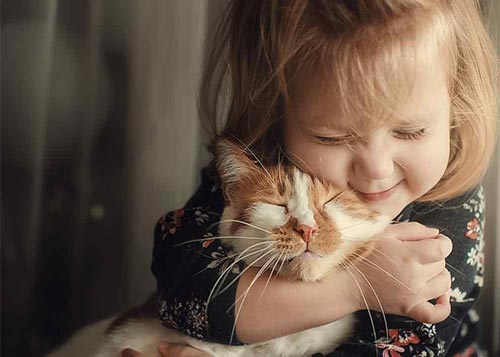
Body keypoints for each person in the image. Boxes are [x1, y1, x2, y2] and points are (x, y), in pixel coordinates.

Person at [125, 0, 498, 356]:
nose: (376, 170)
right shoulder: (266, 169)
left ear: (456, 109)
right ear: (277, 113)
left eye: (411, 131)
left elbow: (409, 345)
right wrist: (351, 288)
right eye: (331, 138)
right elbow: (182, 288)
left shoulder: (449, 207)